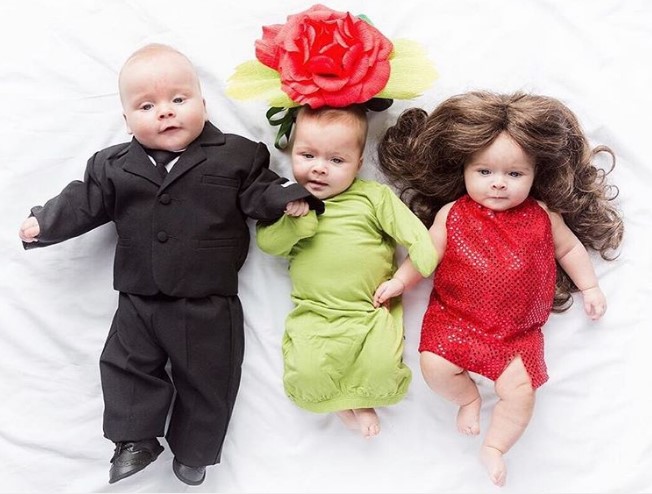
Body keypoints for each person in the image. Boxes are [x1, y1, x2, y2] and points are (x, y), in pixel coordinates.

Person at [18, 43, 321, 486]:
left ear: (203, 103)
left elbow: (260, 191)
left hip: (207, 299)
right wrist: (45, 222)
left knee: (210, 378)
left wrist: (286, 198)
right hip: (138, 295)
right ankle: (134, 439)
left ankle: (195, 450)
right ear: (127, 121)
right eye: (146, 106)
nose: (165, 112)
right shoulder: (112, 165)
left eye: (179, 99)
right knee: (124, 364)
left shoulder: (238, 154)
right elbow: (84, 201)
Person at [374, 91, 624, 486]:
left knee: (521, 393)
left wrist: (590, 287)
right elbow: (425, 255)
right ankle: (468, 398)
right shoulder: (451, 214)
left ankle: (495, 446)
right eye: (485, 172)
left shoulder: (543, 216)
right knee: (434, 367)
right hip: (456, 321)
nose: (499, 184)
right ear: (464, 169)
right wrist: (399, 282)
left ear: (534, 175)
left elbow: (569, 249)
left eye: (514, 175)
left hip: (516, 335)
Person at [256, 105, 436, 437]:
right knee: (308, 371)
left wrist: (402, 279)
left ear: (358, 164)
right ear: (292, 151)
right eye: (307, 155)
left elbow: (416, 237)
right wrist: (296, 223)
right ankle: (340, 404)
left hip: (368, 310)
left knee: (380, 367)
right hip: (315, 312)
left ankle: (360, 402)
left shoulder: (373, 197)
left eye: (336, 160)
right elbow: (269, 243)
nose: (319, 168)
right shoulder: (290, 201)